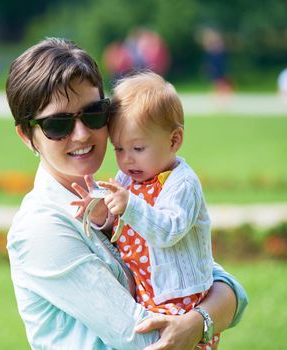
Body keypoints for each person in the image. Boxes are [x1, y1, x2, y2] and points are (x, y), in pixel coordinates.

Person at [6, 37, 248, 350]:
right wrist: (205, 318)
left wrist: (197, 320)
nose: (81, 134)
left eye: (93, 113)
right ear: (27, 135)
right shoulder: (41, 228)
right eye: (57, 124)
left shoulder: (118, 194)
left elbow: (216, 281)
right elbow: (143, 338)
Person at [73, 71, 219, 349]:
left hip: (181, 297)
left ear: (174, 141)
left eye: (138, 148)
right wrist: (103, 216)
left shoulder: (181, 184)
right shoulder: (128, 177)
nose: (127, 159)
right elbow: (119, 223)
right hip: (147, 293)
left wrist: (130, 205)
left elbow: (168, 230)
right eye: (118, 149)